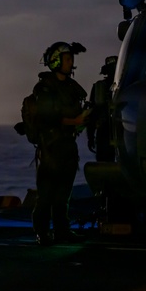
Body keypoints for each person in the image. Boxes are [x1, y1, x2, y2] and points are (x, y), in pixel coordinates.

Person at [31, 41, 90, 245]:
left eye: (71, 58)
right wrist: (76, 121)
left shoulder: (72, 88)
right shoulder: (44, 88)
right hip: (50, 146)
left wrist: (84, 120)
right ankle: (42, 232)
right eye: (67, 59)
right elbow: (47, 116)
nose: (70, 62)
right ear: (56, 61)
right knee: (46, 193)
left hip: (67, 145)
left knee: (63, 194)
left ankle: (61, 230)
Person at [87, 56, 116, 163]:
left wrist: (90, 136)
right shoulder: (100, 88)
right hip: (112, 131)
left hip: (105, 132)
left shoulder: (99, 87)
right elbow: (92, 113)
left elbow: (92, 114)